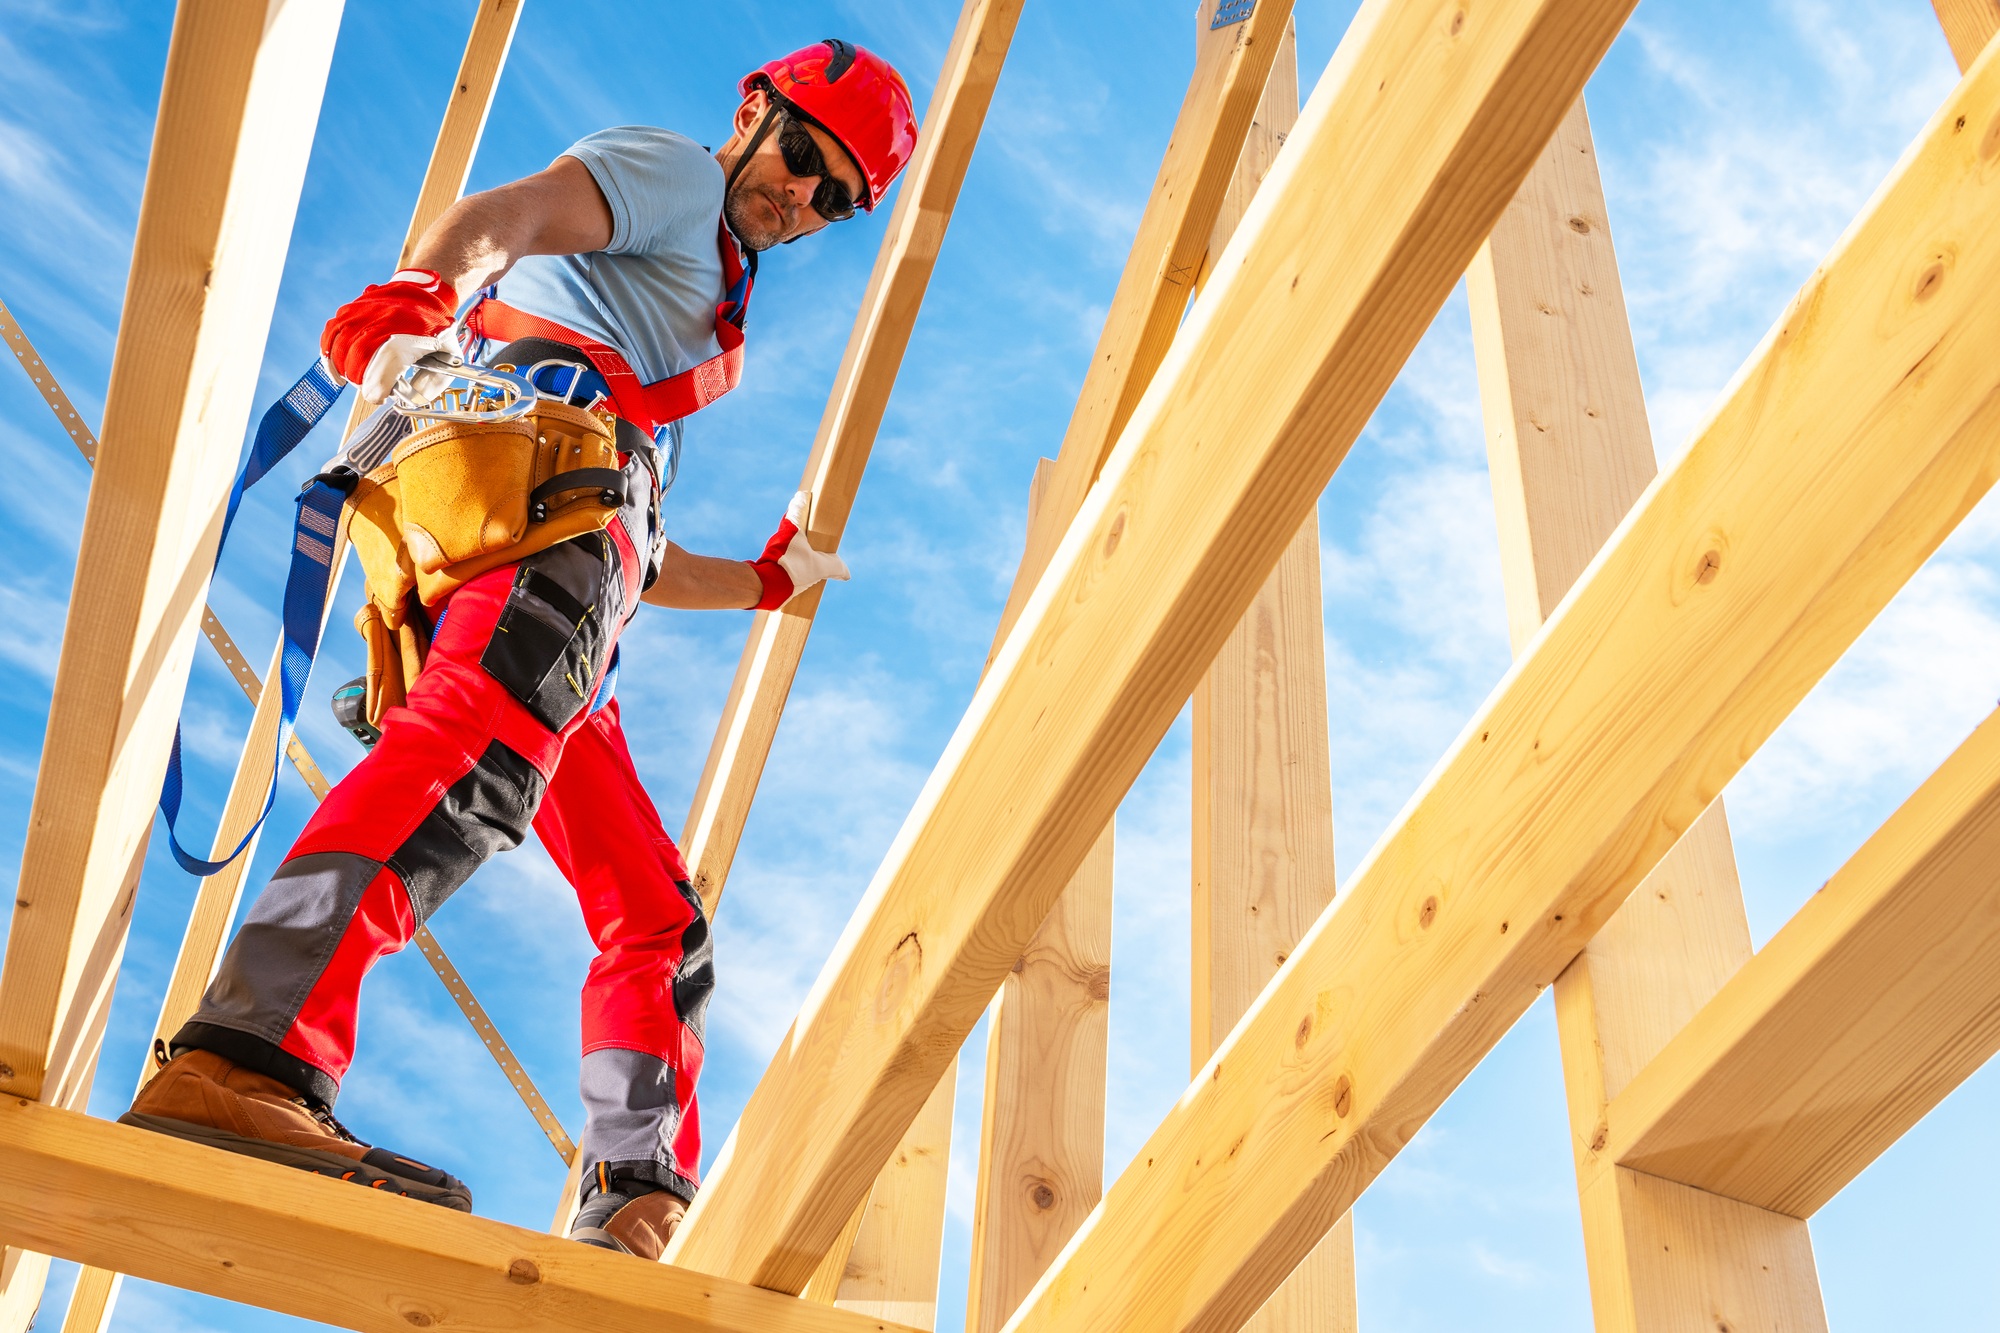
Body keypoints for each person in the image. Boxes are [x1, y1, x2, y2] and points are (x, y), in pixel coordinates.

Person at [121, 39, 919, 1262]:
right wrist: (417, 301)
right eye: (804, 154)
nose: (803, 195)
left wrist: (766, 581)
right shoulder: (676, 181)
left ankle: (635, 1199)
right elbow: (507, 216)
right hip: (537, 522)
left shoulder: (686, 310)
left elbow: (642, 560)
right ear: (754, 110)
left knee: (655, 917)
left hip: (581, 572)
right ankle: (245, 1051)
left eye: (837, 195)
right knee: (471, 759)